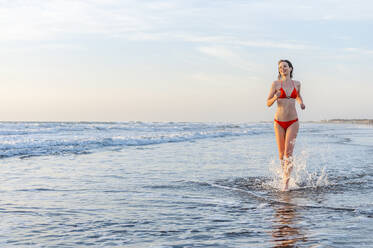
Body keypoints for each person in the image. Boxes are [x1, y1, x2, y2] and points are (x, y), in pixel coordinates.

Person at [267, 59, 305, 191]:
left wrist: (301, 103)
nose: (282, 68)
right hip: (278, 122)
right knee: (281, 154)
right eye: (280, 67)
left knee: (288, 153)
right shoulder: (276, 84)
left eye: (285, 66)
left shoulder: (297, 83)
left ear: (290, 68)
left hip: (293, 121)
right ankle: (284, 176)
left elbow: (298, 96)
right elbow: (268, 103)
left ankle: (286, 183)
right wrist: (275, 97)